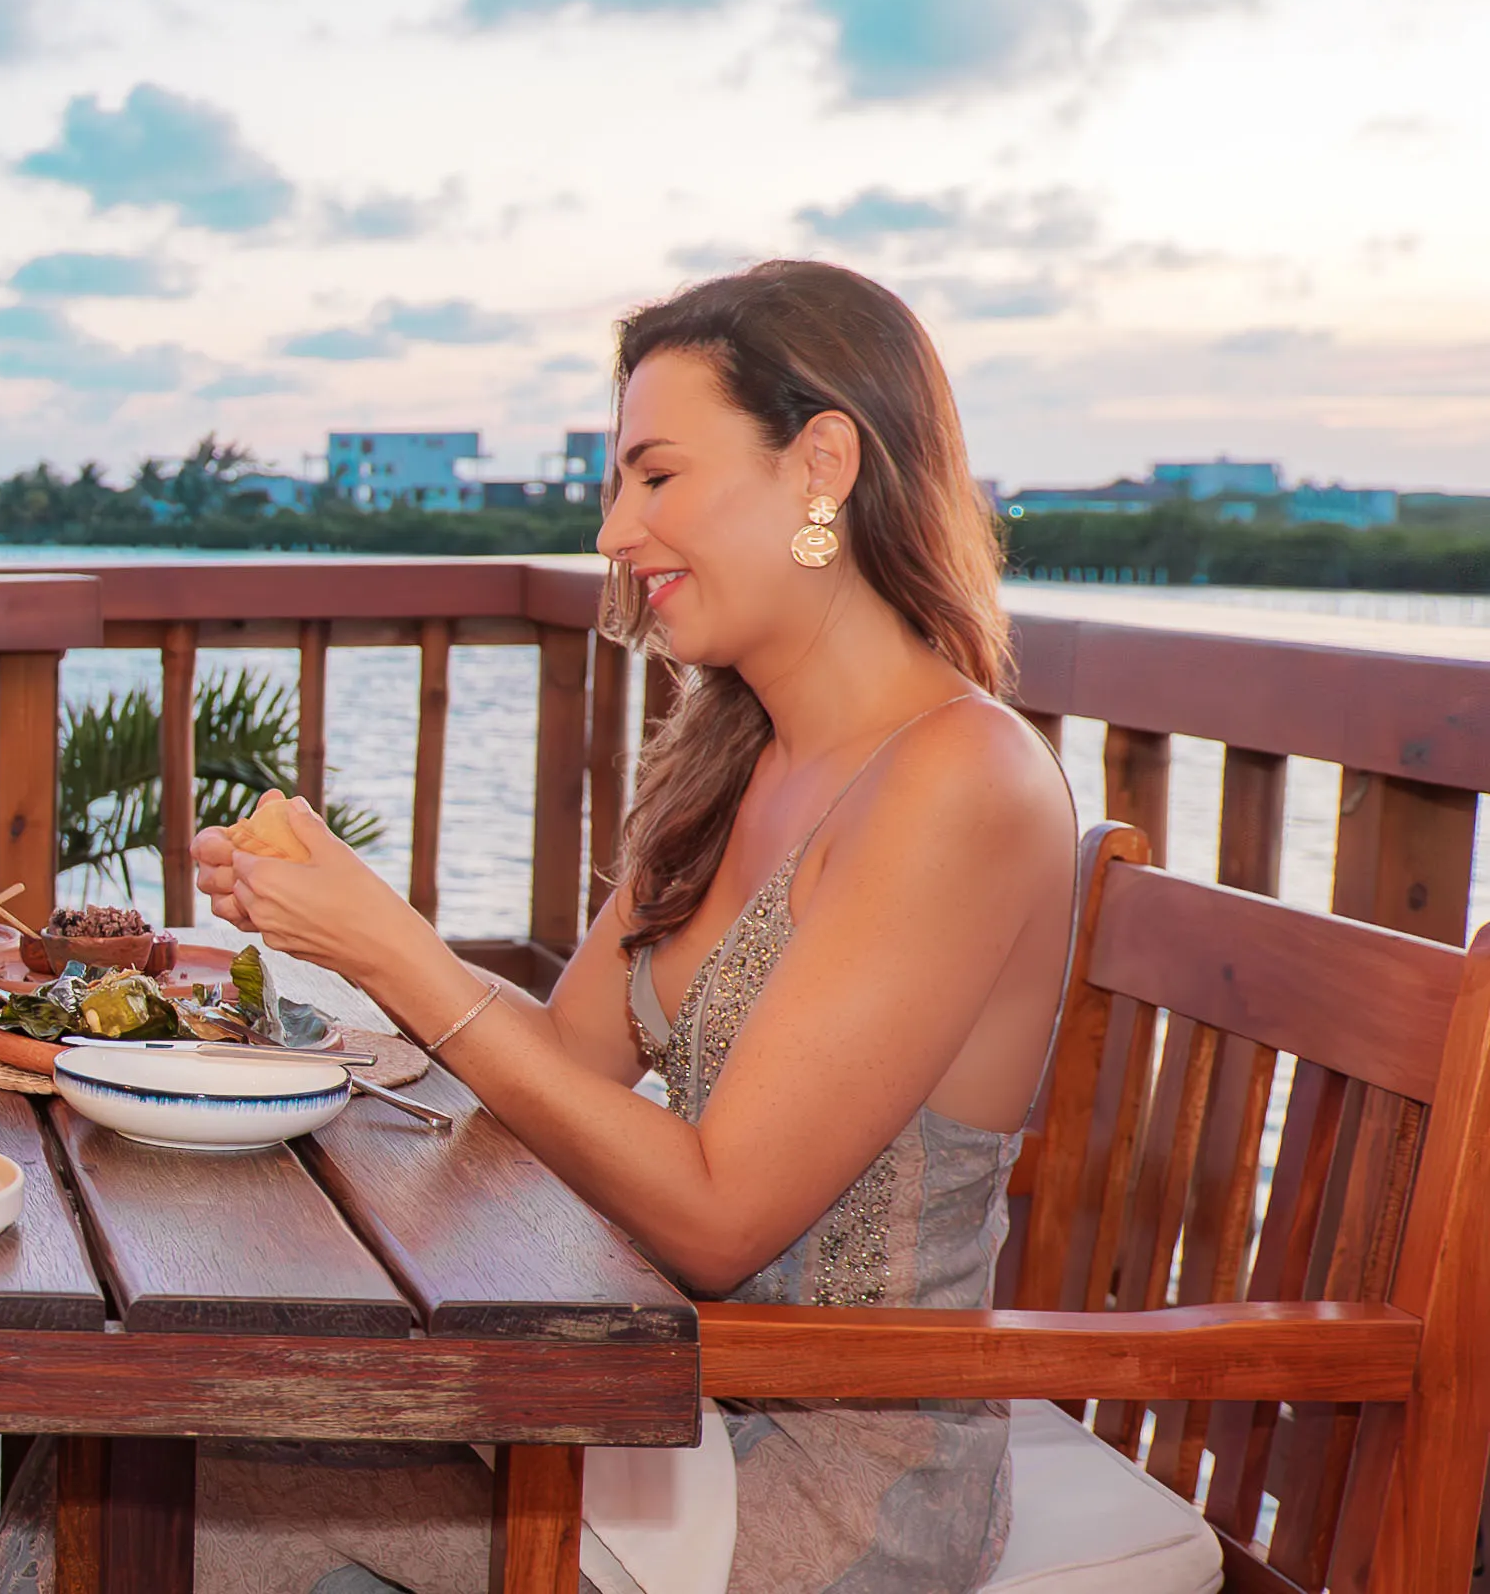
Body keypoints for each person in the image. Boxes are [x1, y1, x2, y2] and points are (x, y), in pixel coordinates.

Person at [189, 261, 1074, 1594]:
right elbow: (572, 1063)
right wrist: (346, 949)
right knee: (161, 1455)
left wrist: (398, 954)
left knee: (188, 1490)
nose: (614, 533)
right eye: (616, 487)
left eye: (655, 478)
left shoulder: (965, 782)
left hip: (837, 1467)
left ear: (823, 462)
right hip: (660, 1404)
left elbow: (719, 1221)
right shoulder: (730, 756)